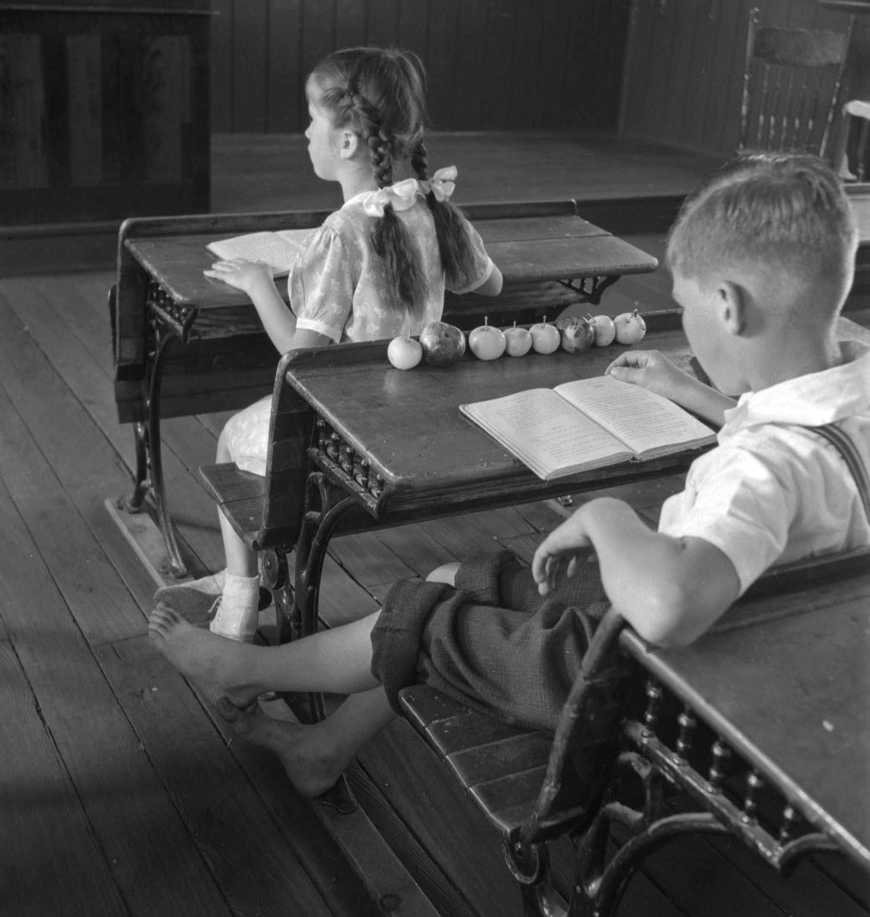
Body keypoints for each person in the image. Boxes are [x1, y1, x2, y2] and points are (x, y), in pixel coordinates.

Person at [148, 152, 870, 798]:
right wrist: (703, 399)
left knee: (420, 615)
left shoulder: (761, 470)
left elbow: (670, 601)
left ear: (727, 306)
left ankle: (238, 667)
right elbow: (796, 443)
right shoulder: (850, 399)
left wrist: (607, 513)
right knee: (456, 575)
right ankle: (323, 747)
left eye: (685, 306)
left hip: (638, 678)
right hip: (758, 647)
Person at [155, 46, 502, 642]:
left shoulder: (342, 233)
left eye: (312, 118)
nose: (305, 130)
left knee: (231, 441)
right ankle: (245, 576)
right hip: (412, 415)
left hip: (341, 431)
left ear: (346, 143)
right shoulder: (436, 207)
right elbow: (491, 282)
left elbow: (301, 355)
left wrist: (261, 285)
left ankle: (241, 599)